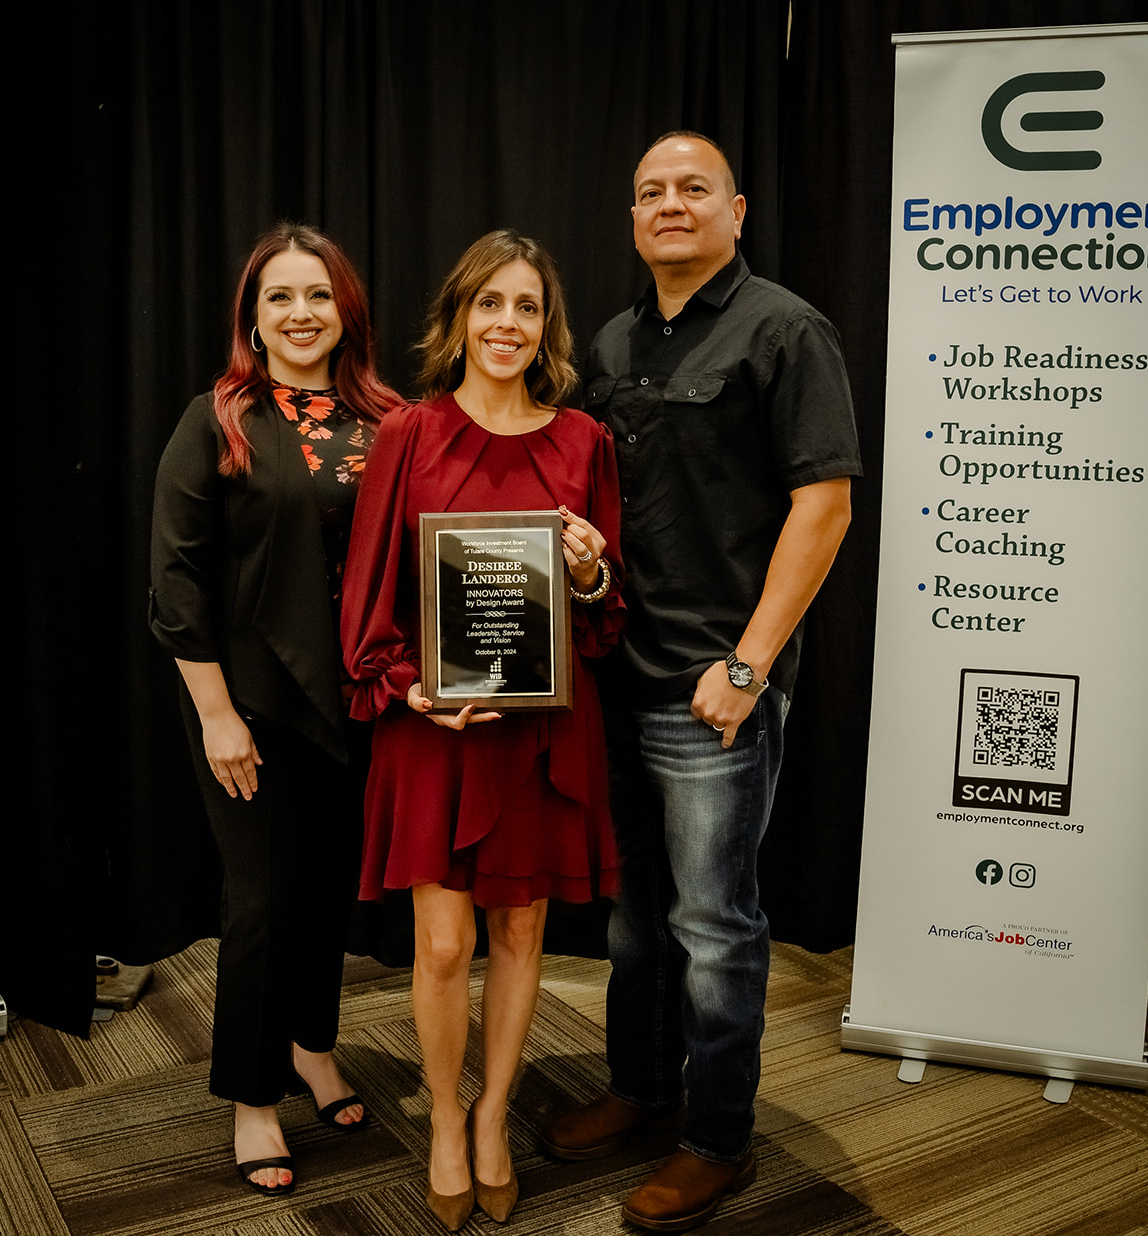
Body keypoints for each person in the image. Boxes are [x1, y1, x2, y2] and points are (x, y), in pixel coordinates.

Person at [539, 132, 862, 1231]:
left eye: (690, 189)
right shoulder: (615, 342)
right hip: (618, 679)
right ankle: (640, 1089)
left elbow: (824, 508)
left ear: (732, 208)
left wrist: (748, 665)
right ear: (631, 221)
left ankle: (716, 1139)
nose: (668, 205)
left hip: (714, 690)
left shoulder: (785, 329)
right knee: (636, 921)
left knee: (715, 927)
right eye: (648, 193)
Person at [341, 230, 624, 1231]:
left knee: (519, 932)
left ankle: (495, 1115)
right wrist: (408, 687)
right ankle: (445, 1125)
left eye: (528, 307)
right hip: (433, 727)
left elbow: (598, 615)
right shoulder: (410, 434)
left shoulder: (583, 441)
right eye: (490, 304)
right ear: (460, 316)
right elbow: (370, 591)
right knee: (441, 944)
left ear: (546, 327)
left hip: (540, 738)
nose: (508, 323)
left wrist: (586, 567)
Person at [149, 222, 399, 1196]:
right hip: (246, 704)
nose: (300, 314)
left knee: (327, 894)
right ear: (252, 317)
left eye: (317, 296)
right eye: (279, 298)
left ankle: (309, 1046)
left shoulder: (385, 417)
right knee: (259, 906)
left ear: (346, 312)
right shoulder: (214, 420)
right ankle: (254, 1098)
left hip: (357, 704)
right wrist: (215, 715)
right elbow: (174, 582)